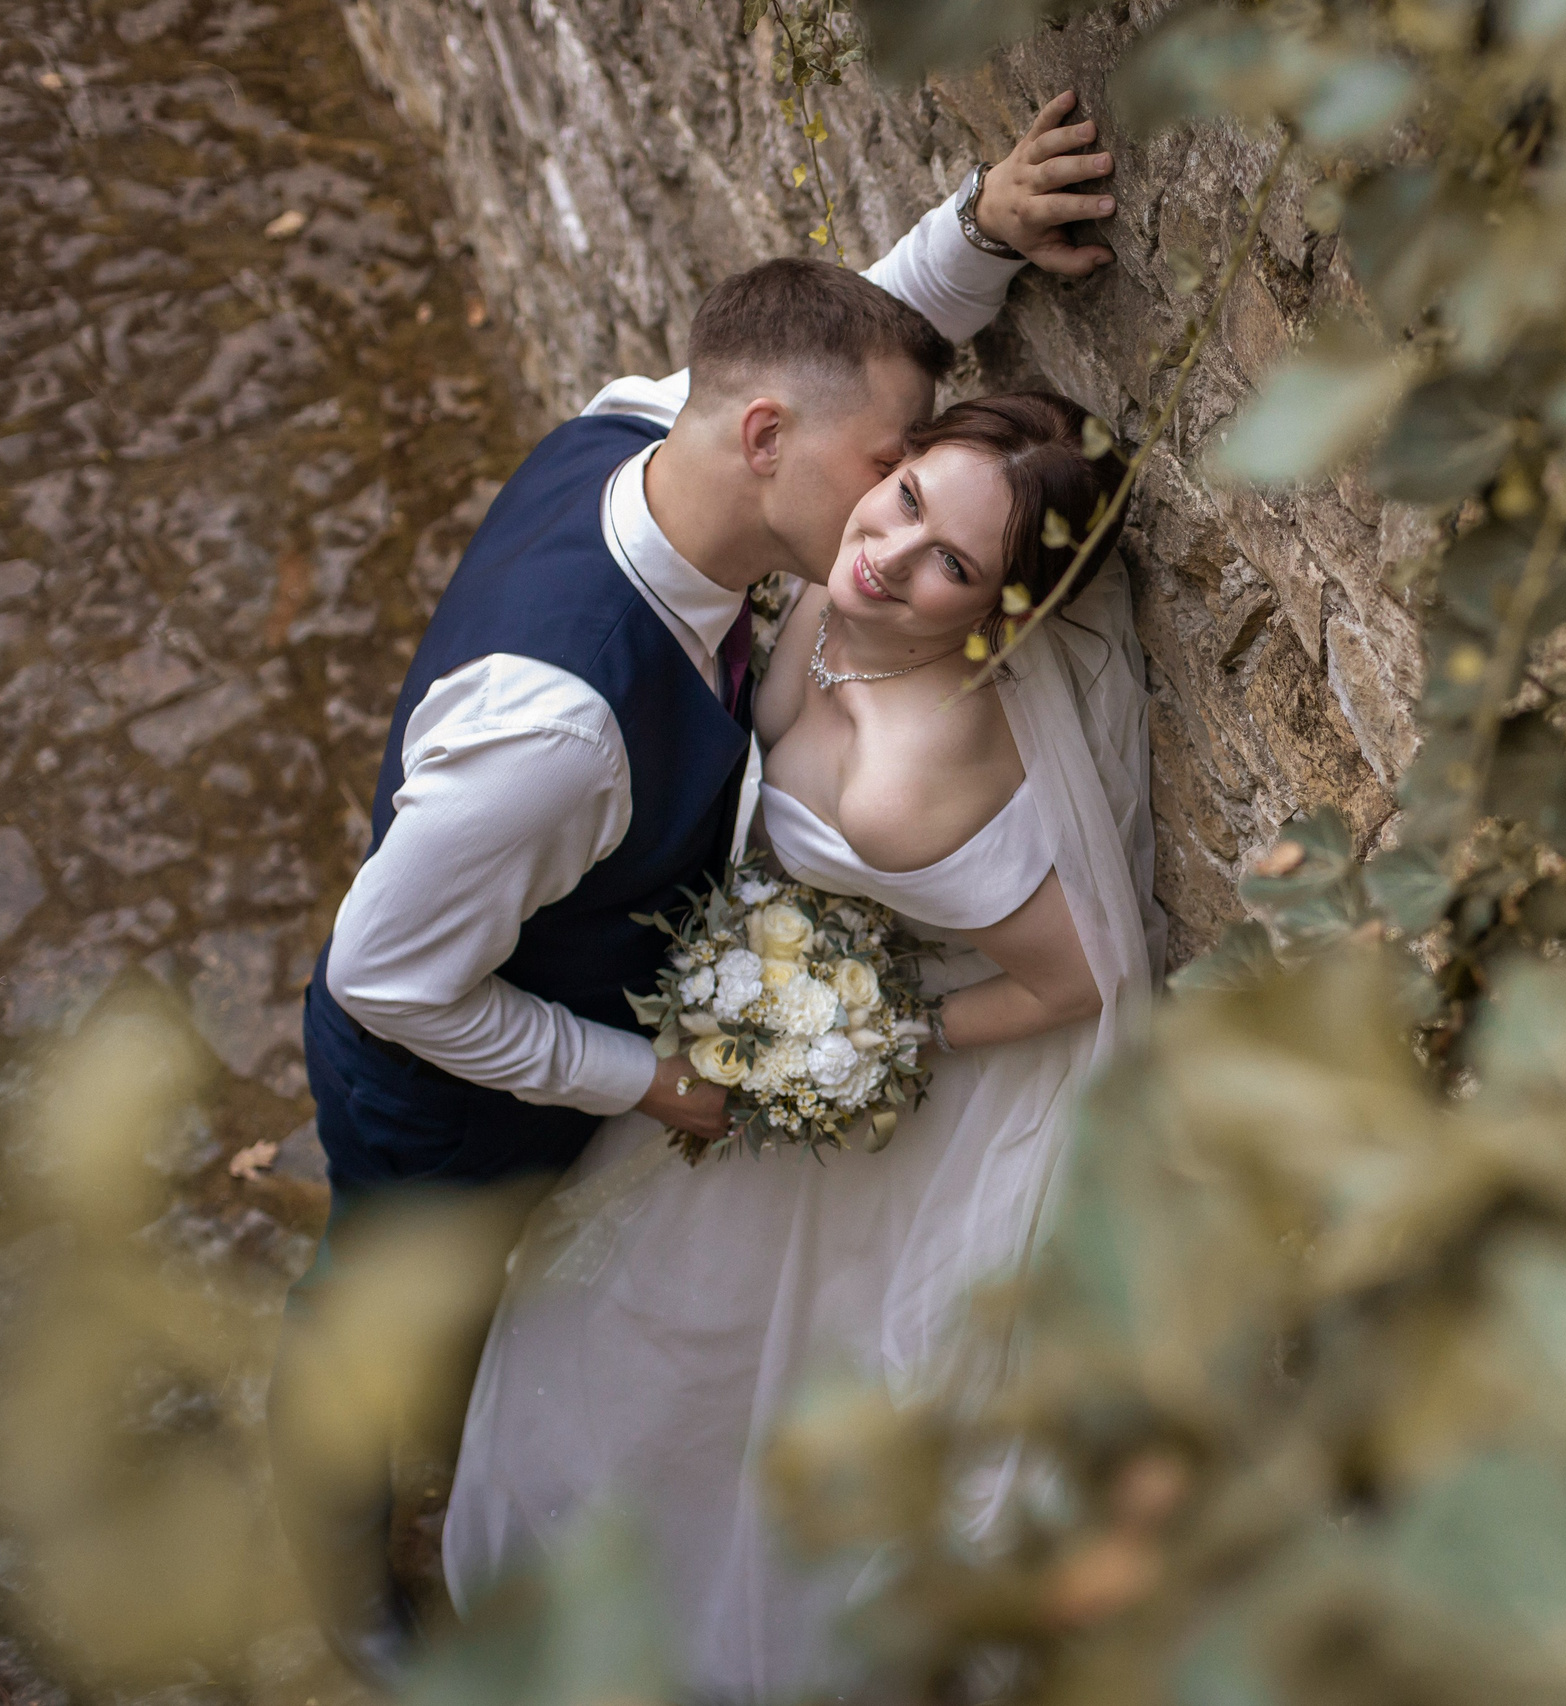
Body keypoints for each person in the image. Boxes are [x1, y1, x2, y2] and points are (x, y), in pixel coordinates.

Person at [270, 98, 1123, 1693]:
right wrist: (655, 1080)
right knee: (378, 1311)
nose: (887, 513)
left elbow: (820, 378)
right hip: (442, 1082)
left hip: (576, 994)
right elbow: (387, 976)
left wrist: (979, 235)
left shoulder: (643, 430)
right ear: (771, 454)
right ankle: (344, 1571)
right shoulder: (556, 728)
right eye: (891, 476)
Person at [441, 393, 1164, 1702]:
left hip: (868, 1058)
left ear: (999, 612)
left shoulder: (910, 779)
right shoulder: (835, 603)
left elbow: (1081, 975)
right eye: (906, 501)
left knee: (774, 1375)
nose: (889, 553)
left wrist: (886, 1037)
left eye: (952, 563)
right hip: (769, 981)